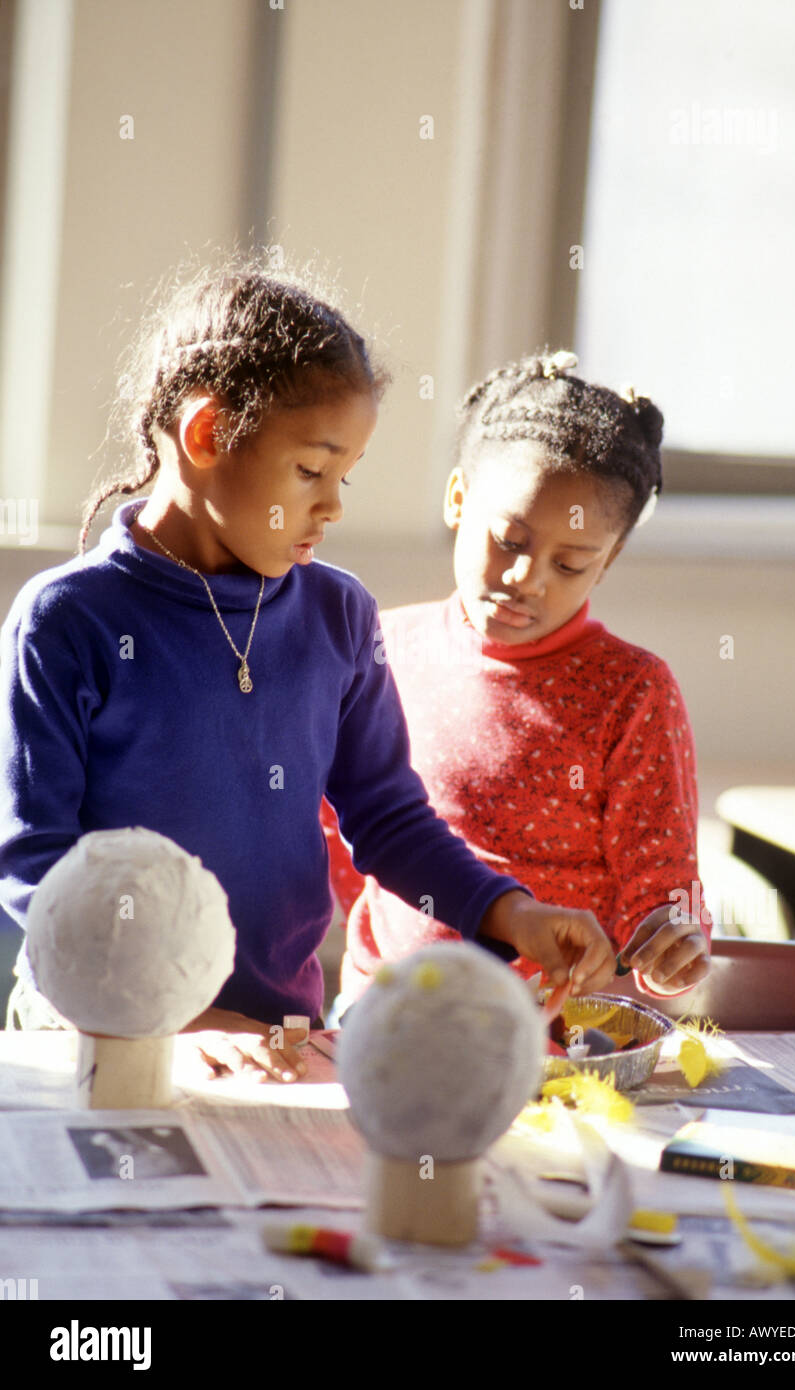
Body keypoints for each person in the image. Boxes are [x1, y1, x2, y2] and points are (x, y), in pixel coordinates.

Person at [0, 265, 617, 1083]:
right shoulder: (67, 620)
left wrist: (512, 910)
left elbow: (390, 819)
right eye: (310, 471)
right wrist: (177, 1019)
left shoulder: (339, 616)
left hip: (279, 1039)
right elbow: (34, 867)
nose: (333, 507)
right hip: (95, 1038)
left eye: (344, 476)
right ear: (207, 434)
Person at [322, 350, 713, 1015]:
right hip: (389, 1014)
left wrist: (670, 948)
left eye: (570, 563)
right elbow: (340, 832)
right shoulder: (381, 646)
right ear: (457, 499)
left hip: (564, 1034)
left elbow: (661, 891)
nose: (528, 579)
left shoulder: (633, 691)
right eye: (509, 539)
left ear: (608, 562)